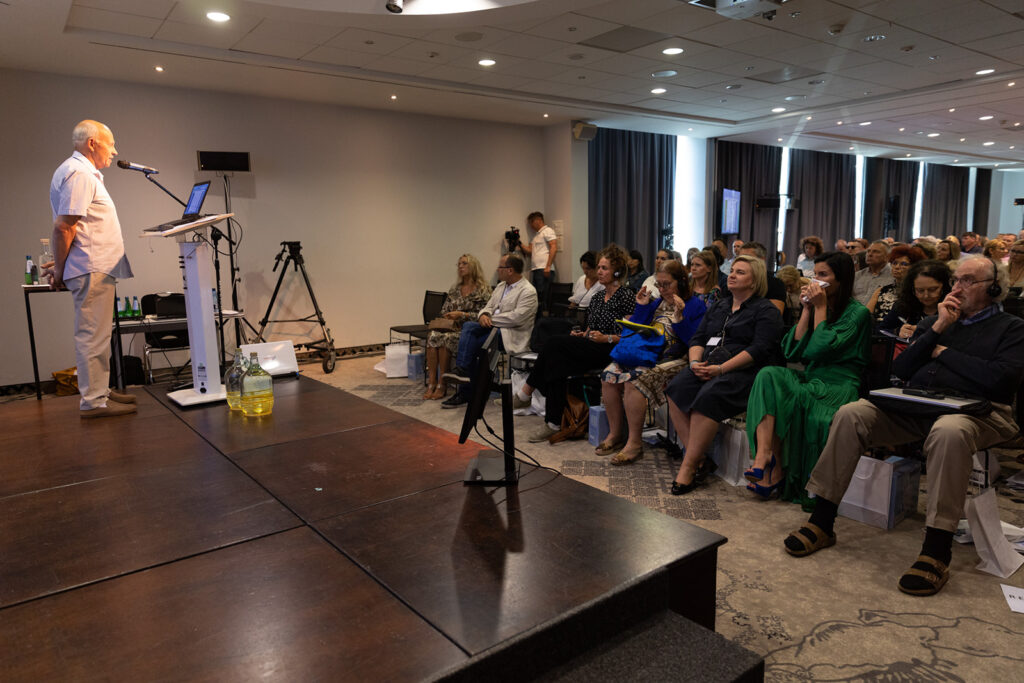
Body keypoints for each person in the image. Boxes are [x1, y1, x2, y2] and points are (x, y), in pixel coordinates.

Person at [783, 256, 1024, 596]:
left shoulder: (1012, 328)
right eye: (956, 279)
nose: (957, 287)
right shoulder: (938, 320)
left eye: (968, 281)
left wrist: (942, 353)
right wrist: (937, 329)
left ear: (995, 288)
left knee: (949, 431)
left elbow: (998, 381)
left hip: (981, 411)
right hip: (922, 404)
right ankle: (822, 520)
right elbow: (904, 367)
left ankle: (936, 550)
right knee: (853, 413)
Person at [743, 251, 871, 506]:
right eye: (815, 274)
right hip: (812, 377)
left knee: (800, 407)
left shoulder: (858, 313)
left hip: (839, 384)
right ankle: (764, 456)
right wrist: (806, 310)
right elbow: (792, 352)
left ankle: (776, 474)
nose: (816, 280)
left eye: (823, 275)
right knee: (768, 374)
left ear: (841, 279)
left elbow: (820, 349)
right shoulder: (819, 307)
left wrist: (820, 308)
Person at [664, 255, 784, 495]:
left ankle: (688, 467)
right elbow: (698, 338)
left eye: (740, 272)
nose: (732, 275)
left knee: (708, 396)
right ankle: (699, 459)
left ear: (754, 281)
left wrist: (721, 369)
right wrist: (695, 362)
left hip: (744, 371)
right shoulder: (720, 305)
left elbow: (759, 350)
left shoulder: (765, 310)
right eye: (733, 270)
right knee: (676, 388)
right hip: (709, 364)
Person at [49, 119, 136, 419]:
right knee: (92, 336)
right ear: (92, 143)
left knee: (98, 336)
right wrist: (60, 270)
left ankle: (101, 391)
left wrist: (60, 263)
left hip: (93, 265)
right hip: (91, 266)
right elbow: (64, 227)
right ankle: (94, 401)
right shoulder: (80, 174)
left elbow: (77, 227)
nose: (114, 150)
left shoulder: (80, 173)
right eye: (111, 144)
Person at [512, 244, 636, 443]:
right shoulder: (597, 297)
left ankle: (526, 392)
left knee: (553, 344)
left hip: (611, 348)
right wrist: (582, 334)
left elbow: (630, 335)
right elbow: (590, 328)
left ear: (617, 271)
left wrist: (606, 338)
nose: (599, 271)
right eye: (599, 267)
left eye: (604, 268)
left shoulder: (627, 296)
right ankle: (553, 423)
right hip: (592, 346)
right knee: (557, 362)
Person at [598, 260, 707, 465]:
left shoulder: (696, 305)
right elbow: (635, 330)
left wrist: (679, 320)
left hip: (675, 358)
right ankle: (615, 433)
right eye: (659, 284)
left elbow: (695, 342)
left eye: (667, 284)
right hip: (647, 353)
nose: (662, 289)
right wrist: (641, 307)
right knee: (608, 375)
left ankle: (634, 443)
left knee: (634, 380)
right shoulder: (657, 302)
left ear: (681, 282)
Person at [441, 254, 537, 408]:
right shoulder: (501, 286)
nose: (497, 270)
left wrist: (490, 319)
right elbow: (488, 307)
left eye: (500, 267)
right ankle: (463, 373)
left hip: (511, 334)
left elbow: (516, 318)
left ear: (510, 270)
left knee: (471, 344)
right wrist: (483, 315)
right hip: (493, 328)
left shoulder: (528, 291)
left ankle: (466, 387)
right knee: (468, 327)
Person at [423, 254, 491, 400]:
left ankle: (442, 384)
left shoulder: (483, 290)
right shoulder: (455, 289)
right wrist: (448, 315)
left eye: (464, 263)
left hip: (470, 330)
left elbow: (485, 315)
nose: (460, 266)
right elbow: (444, 310)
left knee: (446, 339)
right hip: (451, 326)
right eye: (459, 264)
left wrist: (462, 315)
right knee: (433, 336)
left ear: (473, 266)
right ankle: (432, 382)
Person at [879, 260, 952, 340]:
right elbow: (879, 331)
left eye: (932, 290)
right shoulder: (903, 305)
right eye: (920, 290)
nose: (926, 295)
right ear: (912, 290)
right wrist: (897, 331)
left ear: (944, 287)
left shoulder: (953, 309)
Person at [866, 245, 924, 326]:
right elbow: (866, 314)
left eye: (904, 264)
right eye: (894, 263)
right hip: (878, 329)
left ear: (914, 267)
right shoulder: (881, 290)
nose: (897, 267)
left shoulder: (918, 291)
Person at [516, 211, 557, 313]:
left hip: (544, 268)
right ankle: (539, 317)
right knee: (537, 295)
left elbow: (553, 247)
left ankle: (545, 316)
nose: (531, 225)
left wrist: (548, 266)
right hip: (536, 269)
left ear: (538, 220)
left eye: (531, 222)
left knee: (543, 295)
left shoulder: (548, 231)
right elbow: (530, 251)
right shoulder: (535, 236)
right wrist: (519, 242)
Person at [737, 241, 786, 314]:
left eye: (748, 258)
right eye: (740, 258)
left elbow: (774, 316)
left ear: (761, 260)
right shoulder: (735, 282)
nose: (742, 262)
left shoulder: (776, 284)